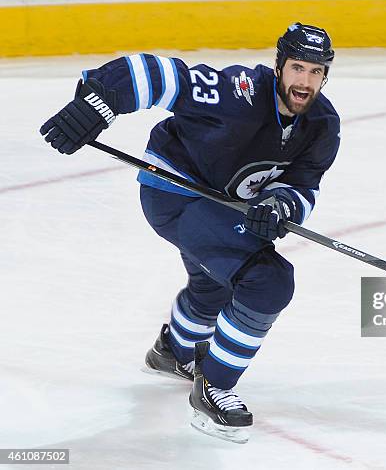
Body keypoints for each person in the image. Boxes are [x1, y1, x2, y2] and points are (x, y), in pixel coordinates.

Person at [39, 22, 340, 443]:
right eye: (297, 68)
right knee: (268, 281)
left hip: (219, 205)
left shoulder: (323, 124)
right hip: (175, 194)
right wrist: (98, 102)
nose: (304, 81)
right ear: (279, 66)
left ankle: (173, 352)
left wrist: (278, 206)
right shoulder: (238, 92)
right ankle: (213, 385)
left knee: (214, 283)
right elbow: (162, 75)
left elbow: (302, 184)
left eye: (315, 71)